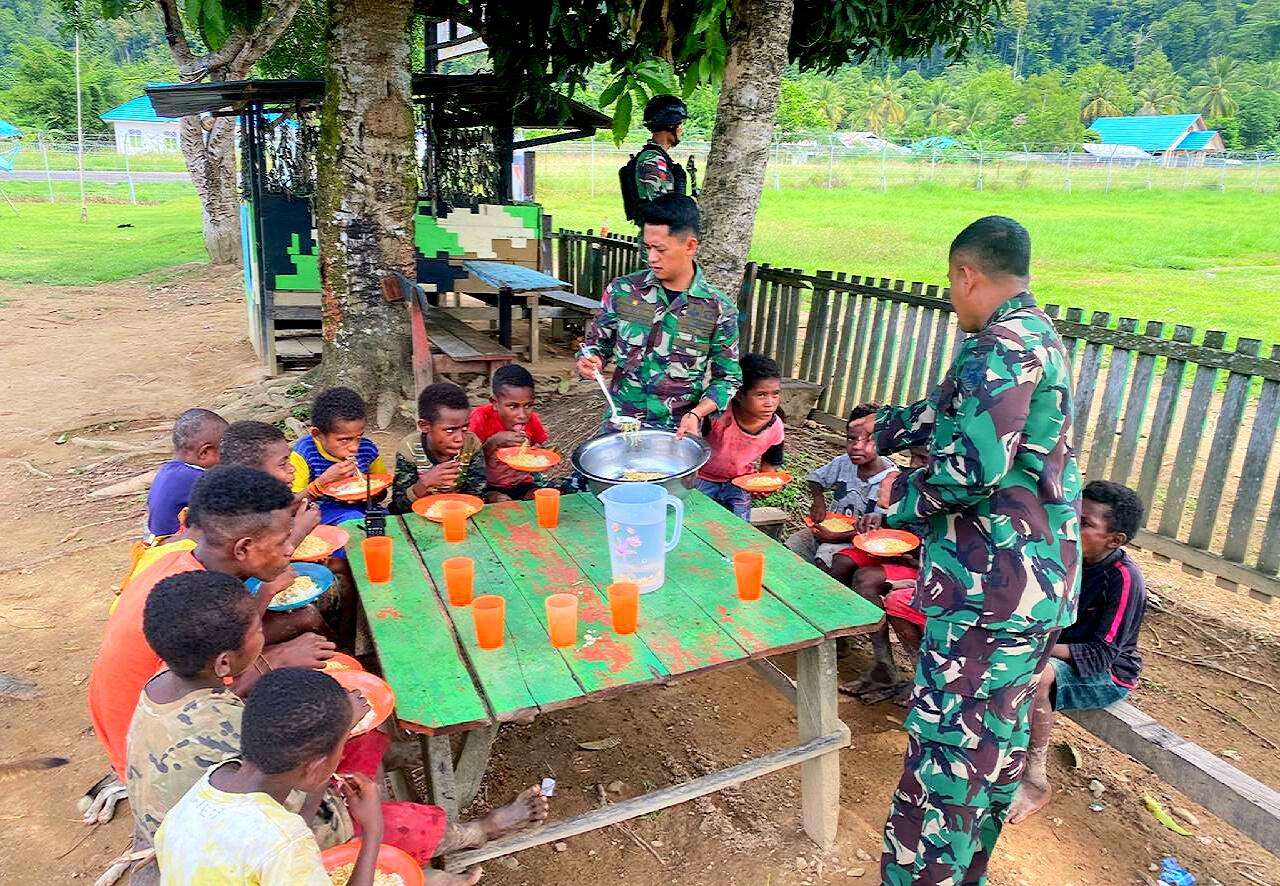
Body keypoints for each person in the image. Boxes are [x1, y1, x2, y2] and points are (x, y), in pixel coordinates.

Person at [858, 216, 1081, 886]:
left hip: (990, 592)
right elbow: (956, 410)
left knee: (946, 763)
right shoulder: (1033, 333)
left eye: (951, 285)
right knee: (992, 754)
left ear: (967, 274)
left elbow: (970, 473)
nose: (952, 299)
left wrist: (898, 492)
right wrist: (883, 426)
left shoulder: (999, 346)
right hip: (1032, 589)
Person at [127, 575, 548, 884]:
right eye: (258, 630)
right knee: (406, 822)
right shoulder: (282, 839)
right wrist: (368, 820)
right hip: (262, 832)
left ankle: (377, 768)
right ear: (223, 661)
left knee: (361, 735)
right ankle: (477, 832)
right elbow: (292, 811)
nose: (264, 635)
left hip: (231, 820)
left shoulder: (167, 686)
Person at [88, 465, 335, 784]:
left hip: (149, 709)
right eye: (283, 542)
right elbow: (193, 699)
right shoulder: (190, 608)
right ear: (243, 549)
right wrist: (276, 660)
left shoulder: (180, 561)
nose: (290, 549)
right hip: (150, 751)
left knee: (296, 632)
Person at [1008, 480, 1146, 824]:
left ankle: (1035, 780)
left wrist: (1038, 646)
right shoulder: (1065, 555)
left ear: (1115, 540)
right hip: (1054, 651)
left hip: (1107, 675)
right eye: (1072, 514)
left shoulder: (1124, 579)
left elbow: (1101, 655)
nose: (1069, 525)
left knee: (1037, 673)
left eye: (1084, 523)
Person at [576, 194, 741, 436]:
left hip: (677, 433)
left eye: (660, 249)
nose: (652, 258)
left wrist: (697, 414)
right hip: (621, 426)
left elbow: (728, 378)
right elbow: (595, 345)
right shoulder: (623, 291)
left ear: (690, 246)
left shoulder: (718, 309)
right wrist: (590, 361)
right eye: (648, 248)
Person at [833, 446, 930, 703]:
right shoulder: (909, 479)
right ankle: (846, 642)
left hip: (926, 564)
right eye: (914, 457)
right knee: (841, 561)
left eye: (924, 458)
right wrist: (879, 520)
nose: (916, 464)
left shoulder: (952, 490)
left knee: (866, 579)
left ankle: (888, 666)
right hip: (901, 551)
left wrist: (914, 558)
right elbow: (895, 518)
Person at [782, 404, 895, 573]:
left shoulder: (890, 480)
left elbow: (881, 529)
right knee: (790, 548)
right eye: (851, 439)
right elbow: (815, 479)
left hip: (861, 543)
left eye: (868, 440)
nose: (856, 446)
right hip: (828, 532)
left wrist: (836, 537)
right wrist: (818, 501)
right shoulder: (844, 463)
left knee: (826, 562)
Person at [694, 353, 785, 520]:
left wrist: (764, 483)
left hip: (740, 481)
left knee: (738, 525)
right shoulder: (718, 415)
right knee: (697, 520)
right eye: (761, 395)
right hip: (702, 478)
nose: (770, 403)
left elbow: (770, 462)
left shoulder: (775, 426)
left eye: (775, 394)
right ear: (739, 394)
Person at [290, 387, 389, 527]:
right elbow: (292, 507)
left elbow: (382, 493)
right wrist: (322, 483)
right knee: (353, 520)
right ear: (317, 434)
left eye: (359, 437)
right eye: (344, 440)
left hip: (364, 507)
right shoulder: (305, 452)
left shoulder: (367, 449)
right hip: (321, 512)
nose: (354, 447)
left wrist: (364, 490)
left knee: (390, 522)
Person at [389, 382, 487, 514]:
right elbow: (398, 507)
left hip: (461, 514)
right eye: (450, 430)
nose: (460, 438)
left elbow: (477, 497)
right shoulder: (410, 449)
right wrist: (423, 484)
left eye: (464, 428)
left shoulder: (471, 444)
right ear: (425, 426)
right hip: (420, 517)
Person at [469, 364, 552, 502]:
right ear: (495, 403)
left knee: (539, 498)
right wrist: (494, 442)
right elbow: (468, 460)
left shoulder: (532, 419)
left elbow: (538, 446)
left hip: (523, 483)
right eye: (513, 406)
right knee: (502, 502)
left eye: (528, 405)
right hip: (488, 486)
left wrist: (536, 453)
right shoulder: (481, 417)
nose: (522, 415)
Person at [145, 408, 228, 539]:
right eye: (224, 453)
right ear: (204, 452)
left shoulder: (167, 473)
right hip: (179, 547)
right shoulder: (200, 479)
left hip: (156, 545)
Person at [630, 95, 690, 218]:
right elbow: (661, 207)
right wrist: (691, 203)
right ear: (670, 125)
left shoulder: (659, 157)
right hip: (657, 229)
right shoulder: (652, 159)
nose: (681, 130)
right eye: (680, 124)